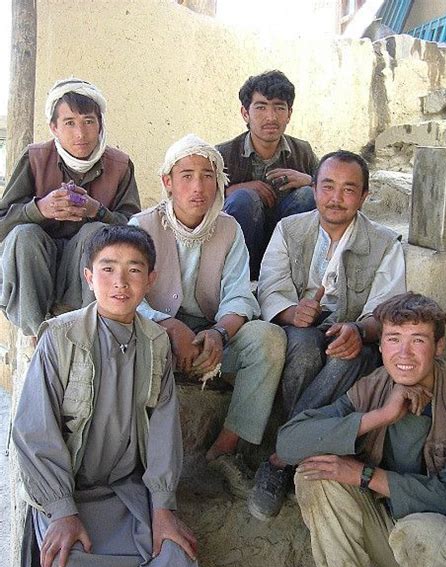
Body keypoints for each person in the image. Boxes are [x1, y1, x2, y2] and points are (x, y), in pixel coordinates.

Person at [12, 225, 198, 567]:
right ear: (88, 276)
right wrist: (62, 511)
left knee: (176, 564)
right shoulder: (60, 338)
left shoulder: (156, 343)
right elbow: (34, 432)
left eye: (134, 270)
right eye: (108, 268)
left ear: (150, 280)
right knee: (65, 565)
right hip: (69, 491)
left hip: (124, 495)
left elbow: (164, 428)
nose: (120, 282)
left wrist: (163, 507)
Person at [277, 292, 446, 567]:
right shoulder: (374, 386)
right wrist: (379, 416)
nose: (404, 354)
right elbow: (289, 442)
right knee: (314, 475)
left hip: (441, 539)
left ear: (439, 346)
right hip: (386, 533)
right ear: (381, 346)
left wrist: (366, 475)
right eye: (393, 340)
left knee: (441, 542)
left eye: (418, 340)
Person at [249, 150, 406, 521]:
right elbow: (271, 286)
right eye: (328, 187)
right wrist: (291, 311)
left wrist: (360, 329)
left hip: (354, 336)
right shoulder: (290, 229)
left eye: (349, 189)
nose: (336, 198)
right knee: (302, 347)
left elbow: (387, 309)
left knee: (346, 355)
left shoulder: (386, 242)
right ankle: (298, 446)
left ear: (365, 196)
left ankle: (281, 457)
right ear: (314, 189)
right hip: (298, 330)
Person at [131, 134, 286, 498]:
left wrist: (219, 333)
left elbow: (240, 296)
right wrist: (167, 325)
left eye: (207, 175)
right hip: (156, 334)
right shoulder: (141, 227)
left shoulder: (229, 228)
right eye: (186, 175)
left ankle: (225, 449)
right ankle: (143, 462)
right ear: (167, 182)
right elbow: (129, 298)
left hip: (209, 337)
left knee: (269, 339)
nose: (197, 186)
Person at [0, 77, 140, 336]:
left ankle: (84, 329)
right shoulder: (35, 158)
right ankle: (35, 336)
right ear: (53, 127)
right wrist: (39, 209)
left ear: (100, 125)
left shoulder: (119, 165)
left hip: (83, 277)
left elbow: (136, 232)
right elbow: (2, 226)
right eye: (69, 123)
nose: (80, 133)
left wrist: (96, 211)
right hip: (37, 270)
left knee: (95, 233)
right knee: (24, 235)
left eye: (89, 121)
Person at [216, 70, 317, 278]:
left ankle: (294, 278)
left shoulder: (303, 151)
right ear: (245, 113)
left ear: (289, 113)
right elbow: (199, 200)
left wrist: (309, 181)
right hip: (243, 250)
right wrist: (232, 190)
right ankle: (244, 280)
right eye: (261, 107)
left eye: (279, 108)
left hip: (288, 248)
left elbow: (334, 191)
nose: (271, 117)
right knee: (243, 199)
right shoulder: (222, 155)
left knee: (308, 195)